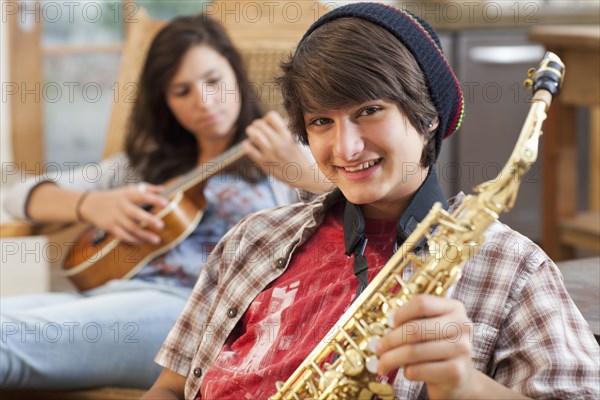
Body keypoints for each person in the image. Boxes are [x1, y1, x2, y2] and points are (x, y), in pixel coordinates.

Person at [144, 3, 600, 399]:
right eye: (322, 121)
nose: (346, 150)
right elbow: (169, 387)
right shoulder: (252, 238)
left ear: (426, 116)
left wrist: (466, 389)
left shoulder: (515, 268)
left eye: (369, 111)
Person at [0, 13, 330, 390]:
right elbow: (18, 196)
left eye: (213, 81)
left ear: (236, 75)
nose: (204, 102)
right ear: (165, 102)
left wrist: (302, 172)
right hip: (110, 296)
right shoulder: (142, 166)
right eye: (181, 91)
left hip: (189, 321)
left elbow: (354, 218)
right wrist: (90, 205)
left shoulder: (284, 155)